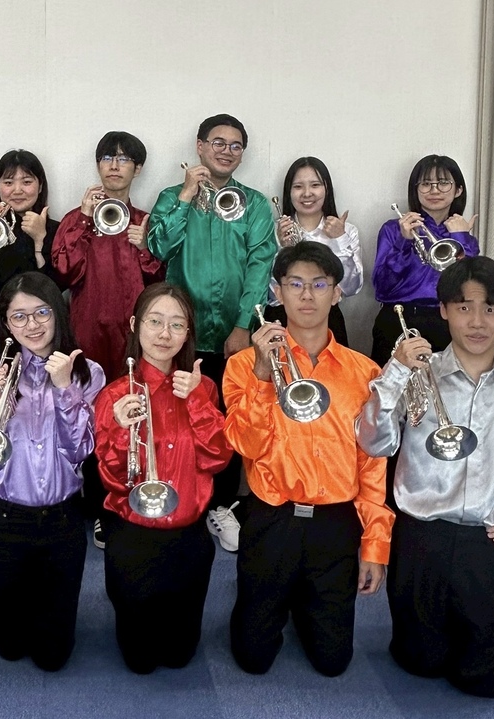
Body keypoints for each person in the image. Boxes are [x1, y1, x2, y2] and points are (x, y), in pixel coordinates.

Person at [356, 256, 494, 697]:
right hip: (421, 539)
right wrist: (394, 372)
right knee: (418, 663)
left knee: (484, 681)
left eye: (491, 309)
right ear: (443, 310)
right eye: (464, 307)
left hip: (491, 542)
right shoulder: (414, 377)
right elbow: (372, 443)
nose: (477, 321)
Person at [223, 242, 393, 677]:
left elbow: (372, 465)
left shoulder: (365, 372)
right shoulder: (244, 365)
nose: (306, 295)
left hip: (335, 523)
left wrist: (374, 545)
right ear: (277, 292)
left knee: (333, 662)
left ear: (336, 293)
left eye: (319, 285)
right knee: (253, 659)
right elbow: (245, 445)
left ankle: (303, 599)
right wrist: (263, 377)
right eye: (295, 284)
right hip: (272, 518)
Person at [148, 113, 277, 551]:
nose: (226, 151)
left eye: (235, 145)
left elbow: (260, 265)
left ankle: (222, 506)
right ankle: (177, 495)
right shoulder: (172, 196)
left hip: (232, 334)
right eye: (218, 142)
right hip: (178, 333)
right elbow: (158, 248)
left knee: (228, 420)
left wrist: (243, 326)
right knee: (176, 416)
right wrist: (186, 196)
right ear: (200, 146)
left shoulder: (254, 204)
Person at [94, 283, 232, 674]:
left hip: (188, 537)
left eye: (177, 324)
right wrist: (120, 428)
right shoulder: (115, 394)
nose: (164, 334)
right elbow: (112, 479)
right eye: (155, 321)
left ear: (188, 333)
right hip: (133, 536)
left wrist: (198, 402)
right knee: (139, 660)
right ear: (135, 325)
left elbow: (218, 459)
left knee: (180, 655)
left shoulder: (203, 387)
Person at [0, 272, 105, 671]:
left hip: (62, 519)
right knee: (9, 646)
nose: (32, 325)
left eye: (42, 312)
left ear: (58, 313)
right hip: (4, 518)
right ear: (6, 323)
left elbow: (79, 450)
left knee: (53, 656)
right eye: (19, 316)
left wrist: (65, 388)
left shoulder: (87, 372)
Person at [51, 131, 165, 548]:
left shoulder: (146, 220)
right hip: (87, 335)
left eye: (124, 159)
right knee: (90, 420)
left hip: (134, 339)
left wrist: (146, 247)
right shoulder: (74, 218)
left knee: (135, 416)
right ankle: (99, 508)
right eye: (107, 158)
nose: (114, 165)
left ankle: (134, 497)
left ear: (138, 168)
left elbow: (160, 281)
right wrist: (84, 221)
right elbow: (64, 273)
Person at [370, 154, 480, 366]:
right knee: (393, 384)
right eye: (426, 184)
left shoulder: (462, 235)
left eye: (443, 183)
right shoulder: (393, 229)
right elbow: (382, 287)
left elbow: (469, 287)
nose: (434, 190)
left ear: (458, 190)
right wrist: (403, 241)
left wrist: (461, 237)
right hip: (399, 319)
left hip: (449, 321)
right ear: (416, 190)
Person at [0, 150, 63, 377]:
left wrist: (40, 239)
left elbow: (56, 287)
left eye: (27, 182)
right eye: (8, 182)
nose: (17, 190)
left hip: (39, 331)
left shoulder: (55, 229)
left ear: (40, 186)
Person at [266, 156, 361, 347]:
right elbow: (270, 295)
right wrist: (282, 249)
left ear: (327, 189)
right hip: (280, 318)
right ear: (289, 192)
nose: (307, 193)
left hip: (328, 318)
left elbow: (351, 287)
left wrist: (340, 239)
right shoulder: (272, 230)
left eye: (315, 185)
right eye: (298, 186)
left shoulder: (347, 230)